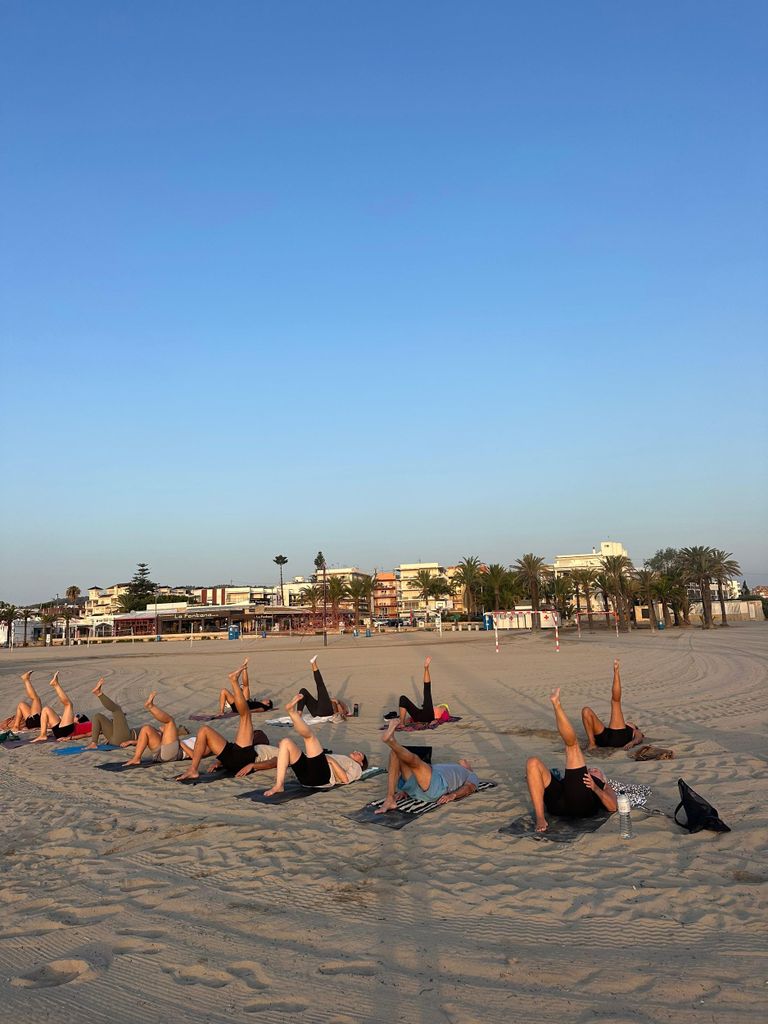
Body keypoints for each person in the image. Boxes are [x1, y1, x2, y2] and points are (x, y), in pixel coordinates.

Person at [526, 688, 618, 833]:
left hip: (581, 805)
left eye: (596, 771)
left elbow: (613, 807)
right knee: (532, 762)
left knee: (573, 747)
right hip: (559, 803)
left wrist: (595, 787)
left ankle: (557, 705)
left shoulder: (605, 786)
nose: (591, 770)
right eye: (591, 769)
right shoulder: (578, 776)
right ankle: (540, 817)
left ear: (603, 778)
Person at [177, 664, 276, 781]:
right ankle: (193, 769)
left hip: (243, 759)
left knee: (245, 716)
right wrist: (218, 762)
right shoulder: (257, 745)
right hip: (232, 756)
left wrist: (253, 765)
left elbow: (274, 762)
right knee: (204, 730)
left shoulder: (278, 750)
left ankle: (234, 681)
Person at [263, 694, 367, 798]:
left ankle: (292, 712)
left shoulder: (357, 767)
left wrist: (331, 760)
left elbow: (345, 780)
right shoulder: (344, 759)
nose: (356, 751)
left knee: (310, 738)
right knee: (286, 742)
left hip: (321, 778)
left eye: (359, 754)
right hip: (306, 776)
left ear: (361, 763)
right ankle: (279, 785)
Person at [375, 718, 479, 813]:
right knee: (395, 754)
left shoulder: (470, 774)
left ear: (469, 767)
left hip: (437, 785)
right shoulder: (455, 767)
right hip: (417, 785)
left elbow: (469, 788)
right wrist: (405, 790)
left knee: (415, 761)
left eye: (466, 762)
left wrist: (453, 795)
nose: (464, 761)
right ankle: (390, 799)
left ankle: (391, 741)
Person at [581, 659, 645, 750]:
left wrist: (632, 742)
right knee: (586, 711)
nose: (628, 722)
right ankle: (592, 743)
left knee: (615, 702)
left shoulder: (635, 730)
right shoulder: (622, 727)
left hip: (619, 738)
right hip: (604, 738)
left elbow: (639, 738)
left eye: (632, 723)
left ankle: (616, 672)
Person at [123, 692, 188, 766]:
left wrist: (181, 743)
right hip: (159, 753)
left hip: (171, 754)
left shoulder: (202, 744)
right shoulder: (199, 739)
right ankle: (136, 758)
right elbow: (144, 741)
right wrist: (132, 742)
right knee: (146, 728)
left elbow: (194, 755)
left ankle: (151, 706)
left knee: (170, 721)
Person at [397, 656, 450, 728]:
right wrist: (409, 720)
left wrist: (436, 721)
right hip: (419, 715)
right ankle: (402, 723)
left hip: (429, 717)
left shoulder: (445, 713)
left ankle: (426, 669)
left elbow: (443, 720)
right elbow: (411, 719)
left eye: (444, 707)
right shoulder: (440, 710)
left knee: (427, 691)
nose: (443, 707)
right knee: (403, 698)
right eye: (443, 706)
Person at [87, 677, 138, 747]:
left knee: (117, 710)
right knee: (98, 716)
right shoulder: (154, 731)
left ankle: (99, 693)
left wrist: (130, 742)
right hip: (114, 738)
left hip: (126, 739)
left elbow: (147, 740)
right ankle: (93, 743)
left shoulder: (155, 733)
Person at [31, 672, 78, 742]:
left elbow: (88, 734)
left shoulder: (91, 726)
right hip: (60, 730)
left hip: (66, 732)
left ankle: (56, 685)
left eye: (78, 716)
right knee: (46, 709)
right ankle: (43, 735)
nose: (76, 715)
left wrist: (70, 738)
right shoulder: (71, 722)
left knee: (68, 705)